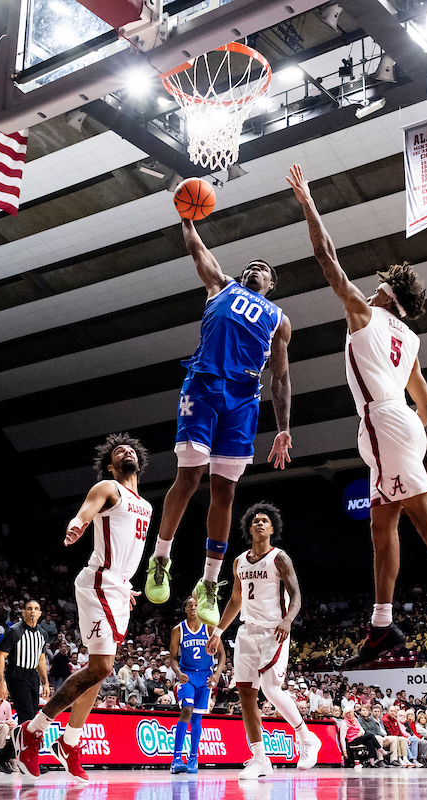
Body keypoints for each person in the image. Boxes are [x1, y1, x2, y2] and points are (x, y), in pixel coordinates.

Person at [285, 163, 427, 669]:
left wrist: (309, 204)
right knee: (382, 527)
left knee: (421, 516)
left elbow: (325, 257)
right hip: (396, 423)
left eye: (380, 286)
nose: (372, 287)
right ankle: (382, 625)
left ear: (387, 297)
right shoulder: (412, 340)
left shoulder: (365, 311)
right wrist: (404, 431)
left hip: (384, 422)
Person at [144, 217, 294, 626]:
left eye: (262, 268)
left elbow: (280, 377)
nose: (254, 269)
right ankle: (160, 559)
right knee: (189, 478)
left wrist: (282, 428)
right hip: (205, 384)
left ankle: (209, 583)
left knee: (224, 492)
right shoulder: (222, 285)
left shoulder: (280, 319)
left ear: (271, 282)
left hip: (244, 398)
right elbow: (196, 249)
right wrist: (186, 216)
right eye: (251, 265)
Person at [12, 434, 154, 784]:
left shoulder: (147, 506)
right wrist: (77, 525)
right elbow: (85, 513)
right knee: (104, 665)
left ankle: (71, 741)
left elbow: (128, 549)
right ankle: (32, 732)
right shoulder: (109, 487)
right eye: (119, 451)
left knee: (99, 670)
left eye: (131, 449)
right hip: (97, 582)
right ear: (110, 465)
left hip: (118, 586)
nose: (126, 451)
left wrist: (125, 584)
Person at [205, 502, 321, 780]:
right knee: (246, 695)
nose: (259, 523)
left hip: (274, 630)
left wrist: (287, 620)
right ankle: (259, 759)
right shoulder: (238, 561)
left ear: (272, 528)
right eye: (255, 520)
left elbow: (296, 596)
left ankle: (307, 737)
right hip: (247, 632)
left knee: (271, 689)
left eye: (264, 521)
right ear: (249, 528)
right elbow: (235, 600)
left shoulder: (280, 558)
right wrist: (219, 631)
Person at [169, 596, 226, 773]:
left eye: (196, 605)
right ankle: (176, 759)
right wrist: (178, 673)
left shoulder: (210, 628)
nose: (193, 608)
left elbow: (222, 655)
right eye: (190, 605)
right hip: (187, 676)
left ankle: (193, 759)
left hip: (205, 677)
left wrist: (217, 674)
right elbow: (172, 658)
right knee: (187, 709)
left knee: (197, 718)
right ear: (185, 609)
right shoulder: (178, 630)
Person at [0, 601, 50, 724]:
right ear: (24, 612)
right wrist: (1, 682)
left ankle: (15, 743)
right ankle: (25, 742)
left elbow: (41, 659)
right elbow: (0, 656)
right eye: (29, 608)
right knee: (26, 713)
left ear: (40, 613)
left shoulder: (42, 634)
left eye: (36, 609)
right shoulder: (14, 631)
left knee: (33, 712)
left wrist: (45, 682)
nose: (32, 611)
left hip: (32, 674)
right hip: (16, 673)